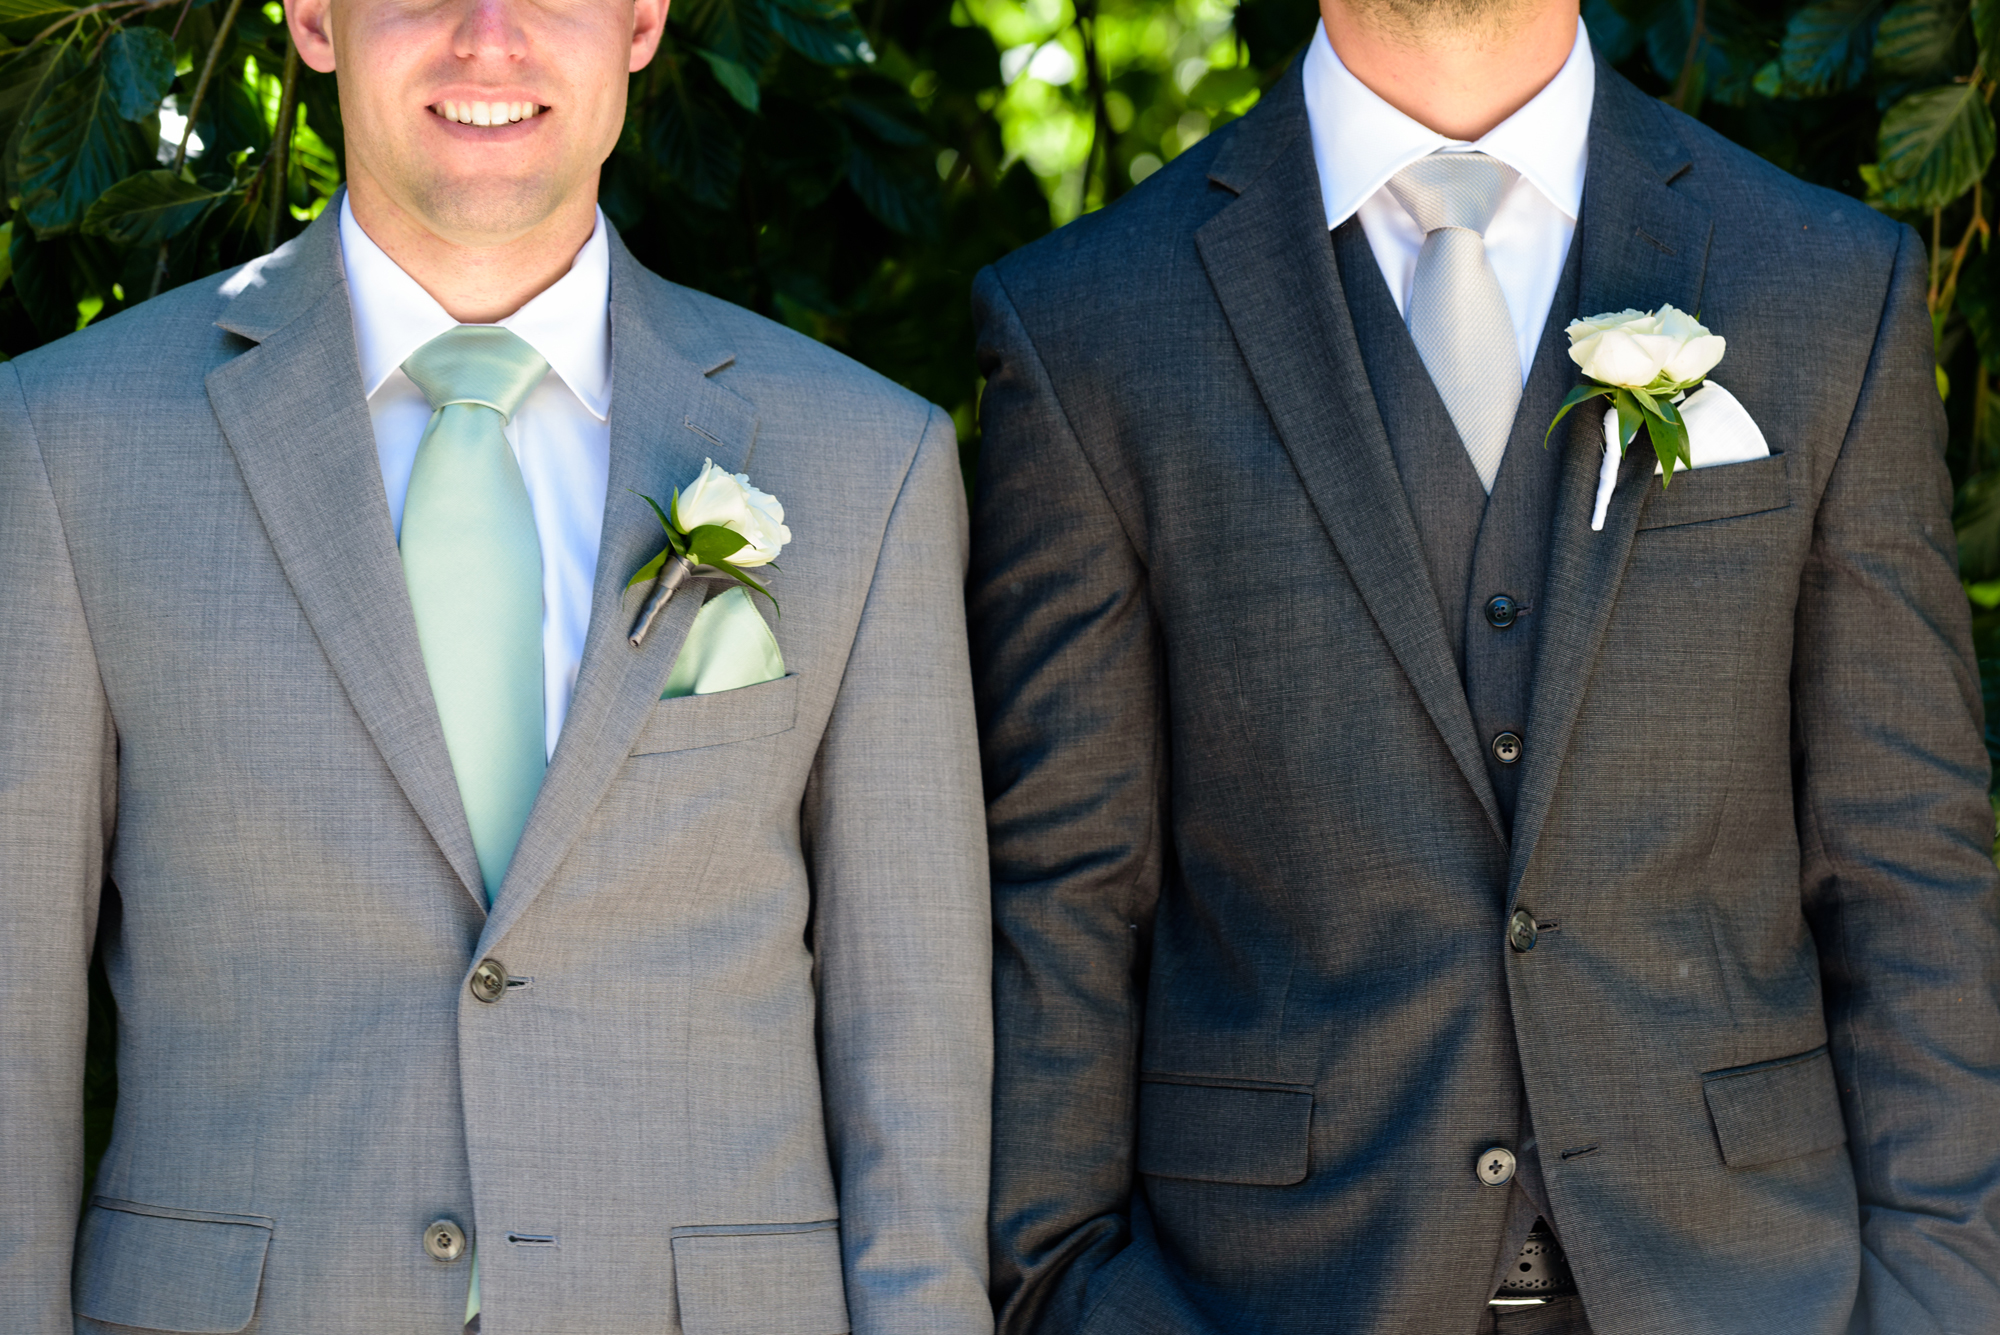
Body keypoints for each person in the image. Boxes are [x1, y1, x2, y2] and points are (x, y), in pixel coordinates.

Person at [968, 0, 2000, 1330]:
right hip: (1264, 1299)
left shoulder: (1823, 282)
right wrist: (1070, 1302)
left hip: (1755, 1291)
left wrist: (1939, 1306)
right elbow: (1066, 896)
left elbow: (1904, 860)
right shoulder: (1089, 326)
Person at [0, 0, 992, 1328]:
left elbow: (913, 1062)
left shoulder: (871, 460)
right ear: (310, 16)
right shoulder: (67, 445)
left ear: (643, 19)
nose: (489, 34)